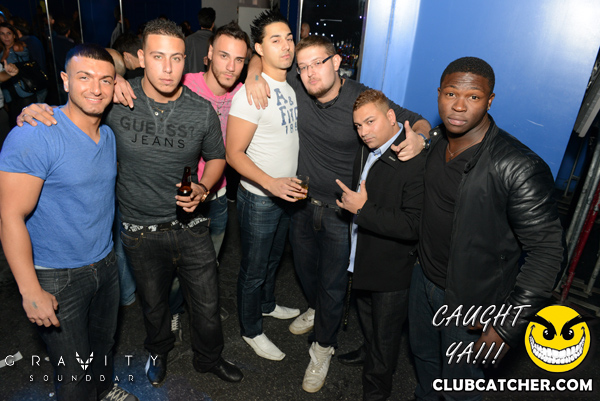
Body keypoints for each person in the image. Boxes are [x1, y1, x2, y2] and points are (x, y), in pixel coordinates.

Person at [16, 18, 244, 388]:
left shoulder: (201, 109)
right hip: (139, 231)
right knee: (153, 306)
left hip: (191, 226)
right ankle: (158, 351)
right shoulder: (118, 99)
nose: (167, 68)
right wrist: (34, 111)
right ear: (141, 57)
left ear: (186, 60)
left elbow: (217, 156)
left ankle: (209, 357)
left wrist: (203, 187)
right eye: (157, 57)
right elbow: (79, 101)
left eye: (176, 58)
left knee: (207, 304)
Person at [244, 35, 431, 392]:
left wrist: (422, 138)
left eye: (318, 63)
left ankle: (323, 347)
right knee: (305, 273)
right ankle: (316, 309)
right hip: (301, 204)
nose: (310, 73)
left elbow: (418, 121)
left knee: (332, 285)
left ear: (336, 62)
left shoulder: (360, 98)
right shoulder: (298, 87)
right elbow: (262, 61)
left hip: (341, 213)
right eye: (303, 66)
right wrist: (254, 74)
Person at [409, 57, 564, 400]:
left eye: (474, 97)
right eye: (451, 93)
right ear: (439, 94)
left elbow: (547, 252)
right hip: (423, 281)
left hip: (472, 303)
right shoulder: (436, 144)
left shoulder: (518, 166)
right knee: (425, 364)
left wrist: (507, 326)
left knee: (460, 387)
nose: (459, 106)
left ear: (490, 101)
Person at [0, 43, 138, 401]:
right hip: (57, 276)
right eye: (84, 77)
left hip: (104, 265)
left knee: (103, 346)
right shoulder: (35, 133)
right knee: (74, 376)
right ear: (64, 80)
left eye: (105, 80)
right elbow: (9, 215)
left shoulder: (108, 135)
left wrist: (119, 78)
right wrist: (30, 291)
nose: (95, 88)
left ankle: (103, 390)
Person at [336, 89, 425, 400]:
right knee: (369, 322)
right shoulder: (369, 148)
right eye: (358, 126)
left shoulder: (413, 158)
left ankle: (376, 390)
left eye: (370, 122)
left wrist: (362, 209)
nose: (363, 132)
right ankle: (368, 351)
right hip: (364, 257)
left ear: (390, 117)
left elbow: (413, 225)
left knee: (386, 339)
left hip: (391, 270)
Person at [226, 10, 304, 362]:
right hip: (260, 197)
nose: (286, 46)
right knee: (253, 269)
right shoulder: (250, 94)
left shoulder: (292, 84)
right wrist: (271, 183)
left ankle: (267, 305)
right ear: (258, 48)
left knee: (274, 259)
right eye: (275, 40)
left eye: (289, 38)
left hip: (286, 194)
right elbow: (233, 153)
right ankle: (251, 329)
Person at [0, 22, 36, 125]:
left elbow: (24, 53)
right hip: (11, 96)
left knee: (29, 124)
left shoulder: (18, 48)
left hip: (25, 92)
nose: (6, 37)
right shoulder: (1, 54)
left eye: (9, 33)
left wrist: (20, 45)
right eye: (2, 33)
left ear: (14, 35)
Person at [185, 7, 216, 73]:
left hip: (192, 79)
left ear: (199, 23)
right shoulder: (217, 41)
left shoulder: (189, 40)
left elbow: (185, 66)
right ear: (213, 24)